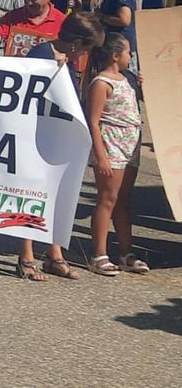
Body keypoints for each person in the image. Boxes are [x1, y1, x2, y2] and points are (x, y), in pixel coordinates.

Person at [21, 12, 106, 281]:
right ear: (76, 43)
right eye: (86, 48)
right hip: (36, 134)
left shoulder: (67, 62)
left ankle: (54, 253)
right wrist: (54, 71)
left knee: (57, 192)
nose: (85, 54)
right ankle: (26, 256)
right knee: (32, 192)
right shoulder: (40, 55)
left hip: (59, 135)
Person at [85, 34, 150, 277]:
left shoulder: (128, 79)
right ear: (115, 55)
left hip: (130, 145)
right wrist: (101, 156)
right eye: (127, 53)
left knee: (124, 199)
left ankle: (126, 251)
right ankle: (99, 253)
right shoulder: (101, 82)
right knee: (107, 198)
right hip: (111, 145)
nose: (130, 57)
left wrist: (144, 87)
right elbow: (93, 120)